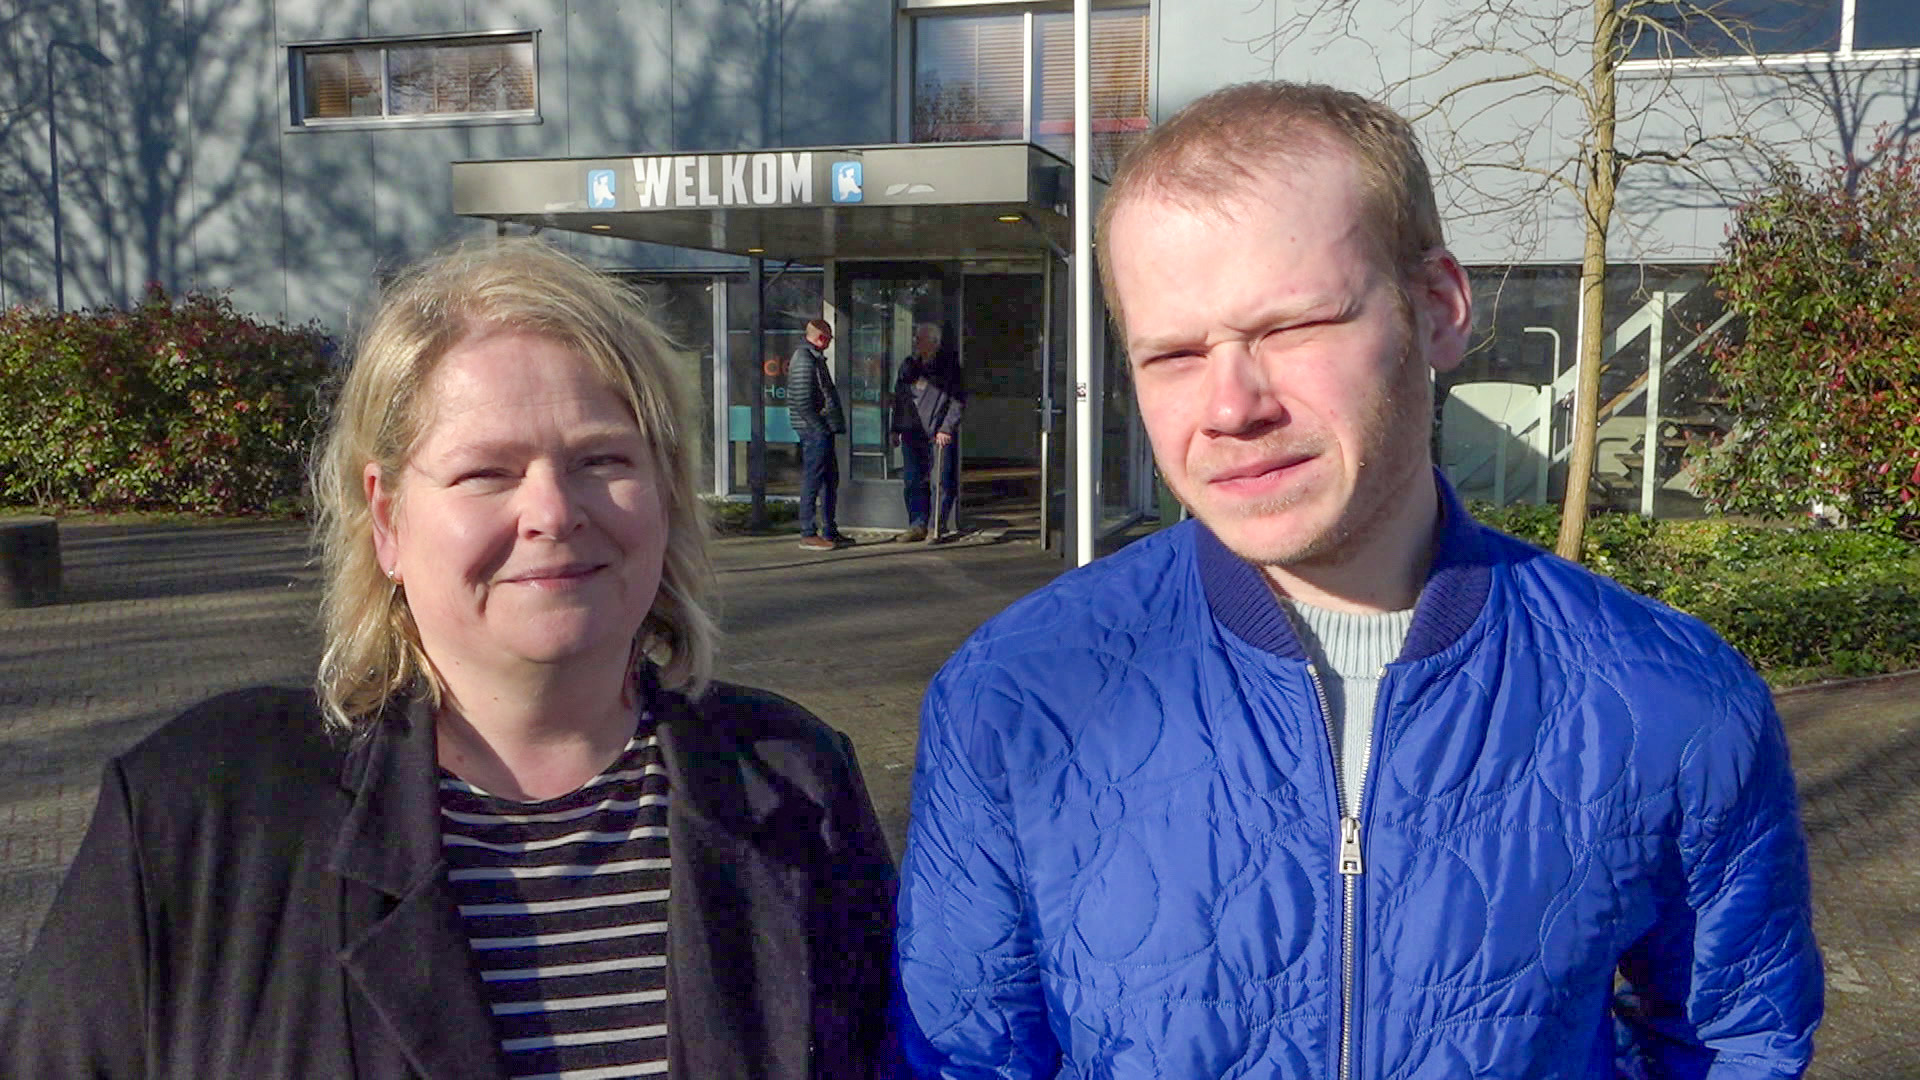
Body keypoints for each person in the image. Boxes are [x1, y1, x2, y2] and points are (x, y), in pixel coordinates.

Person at [894, 81, 1822, 1078]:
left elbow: (1733, 1040)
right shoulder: (1018, 692)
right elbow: (965, 1057)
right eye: (1172, 353)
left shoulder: (1672, 698)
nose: (1230, 405)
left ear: (1437, 310)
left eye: (1291, 329)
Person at [1, 238, 899, 1079]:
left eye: (602, 459)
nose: (552, 511)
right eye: (487, 472)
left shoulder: (794, 785)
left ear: (664, 494)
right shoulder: (200, 811)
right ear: (387, 517)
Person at [889, 322, 964, 542]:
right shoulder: (909, 365)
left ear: (933, 342)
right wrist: (895, 428)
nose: (915, 342)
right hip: (912, 432)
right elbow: (900, 398)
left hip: (937, 433)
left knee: (940, 481)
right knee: (913, 480)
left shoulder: (948, 366)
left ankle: (936, 526)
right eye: (915, 338)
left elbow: (957, 401)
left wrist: (946, 427)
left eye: (920, 338)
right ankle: (917, 524)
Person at [788, 317, 849, 550]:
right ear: (821, 337)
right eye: (830, 337)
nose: (832, 341)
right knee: (813, 480)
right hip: (815, 432)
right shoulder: (805, 359)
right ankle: (808, 532)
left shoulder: (813, 358)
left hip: (821, 430)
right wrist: (820, 427)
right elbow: (802, 400)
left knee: (829, 480)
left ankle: (829, 530)